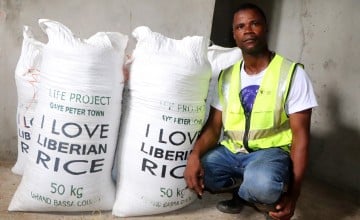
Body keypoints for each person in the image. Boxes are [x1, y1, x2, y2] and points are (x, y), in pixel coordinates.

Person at [184, 3, 318, 220]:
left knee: (263, 185)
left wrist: (294, 195)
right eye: (240, 27)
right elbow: (214, 126)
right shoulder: (227, 76)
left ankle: (266, 195)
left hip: (270, 152)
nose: (247, 30)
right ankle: (242, 191)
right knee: (199, 172)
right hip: (232, 151)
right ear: (234, 36)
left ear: (265, 28)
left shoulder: (291, 74)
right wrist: (194, 155)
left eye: (254, 23)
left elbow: (301, 138)